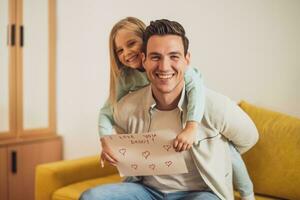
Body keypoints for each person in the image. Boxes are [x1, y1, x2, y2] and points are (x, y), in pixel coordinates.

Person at [81, 19, 259, 200]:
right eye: (155, 57)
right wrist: (109, 144)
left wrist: (196, 131)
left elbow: (249, 139)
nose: (164, 66)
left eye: (174, 56)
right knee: (91, 197)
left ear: (186, 60)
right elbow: (109, 115)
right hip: (148, 191)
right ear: (145, 59)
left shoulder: (214, 104)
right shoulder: (128, 99)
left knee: (228, 153)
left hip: (199, 194)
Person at [98, 17, 205, 153]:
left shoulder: (175, 67)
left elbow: (196, 89)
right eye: (120, 50)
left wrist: (191, 127)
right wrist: (106, 142)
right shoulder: (126, 78)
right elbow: (107, 112)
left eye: (131, 44)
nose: (126, 53)